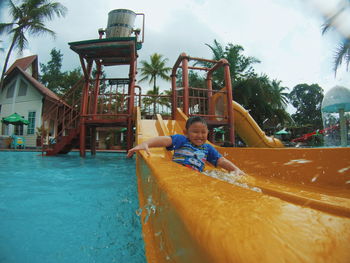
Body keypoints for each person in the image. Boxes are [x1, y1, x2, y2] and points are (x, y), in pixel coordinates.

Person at [127, 116, 244, 174]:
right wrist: (146, 143)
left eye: (203, 132)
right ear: (186, 132)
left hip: (196, 178)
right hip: (178, 175)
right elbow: (164, 140)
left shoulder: (208, 148)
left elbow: (221, 161)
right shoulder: (182, 140)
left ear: (208, 133)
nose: (200, 135)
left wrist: (236, 170)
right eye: (195, 132)